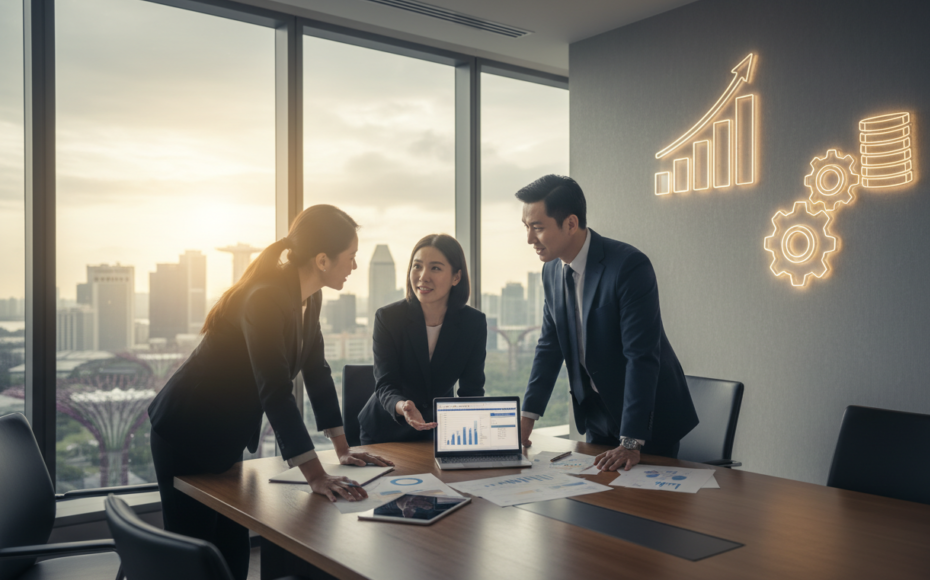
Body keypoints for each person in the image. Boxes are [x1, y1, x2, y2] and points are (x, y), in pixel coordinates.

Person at [148, 205, 393, 580]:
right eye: (351, 257)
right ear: (323, 259)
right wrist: (315, 475)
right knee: (196, 560)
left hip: (223, 436)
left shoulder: (310, 297)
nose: (355, 267)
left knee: (231, 551)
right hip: (185, 433)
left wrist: (342, 449)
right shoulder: (264, 298)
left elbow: (317, 370)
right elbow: (275, 391)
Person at [516, 175, 699, 472]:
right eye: (526, 227)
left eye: (537, 228)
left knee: (649, 511)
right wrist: (526, 420)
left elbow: (640, 356)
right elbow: (550, 347)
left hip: (648, 420)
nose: (529, 239)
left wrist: (630, 442)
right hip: (598, 416)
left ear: (571, 224)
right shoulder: (551, 271)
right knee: (596, 504)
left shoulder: (628, 266)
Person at [358, 234, 487, 444]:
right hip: (386, 431)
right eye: (417, 266)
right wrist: (404, 407)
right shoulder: (389, 318)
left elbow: (471, 391)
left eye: (435, 268)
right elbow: (386, 384)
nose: (423, 276)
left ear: (456, 277)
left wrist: (475, 438)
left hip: (439, 431)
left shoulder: (473, 323)